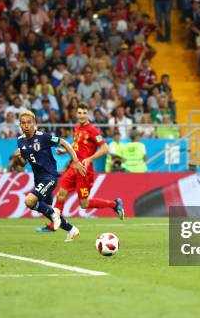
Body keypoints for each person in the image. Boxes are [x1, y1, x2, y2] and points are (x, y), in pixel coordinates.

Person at [37, 104, 124, 233]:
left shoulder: (93, 130)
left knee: (84, 204)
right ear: (76, 114)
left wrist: (90, 159)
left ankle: (115, 204)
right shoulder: (77, 127)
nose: (81, 115)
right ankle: (53, 225)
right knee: (61, 194)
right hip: (74, 167)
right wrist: (66, 150)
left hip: (84, 171)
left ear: (87, 114)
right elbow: (78, 144)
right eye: (79, 113)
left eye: (84, 112)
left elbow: (105, 148)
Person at [15, 111, 85, 242]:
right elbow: (23, 163)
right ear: (20, 125)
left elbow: (64, 142)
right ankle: (71, 229)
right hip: (39, 179)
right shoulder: (20, 141)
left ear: (34, 123)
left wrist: (75, 161)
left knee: (30, 201)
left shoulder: (43, 137)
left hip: (50, 177)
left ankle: (54, 213)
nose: (26, 126)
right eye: (23, 123)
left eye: (29, 122)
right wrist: (18, 158)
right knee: (47, 210)